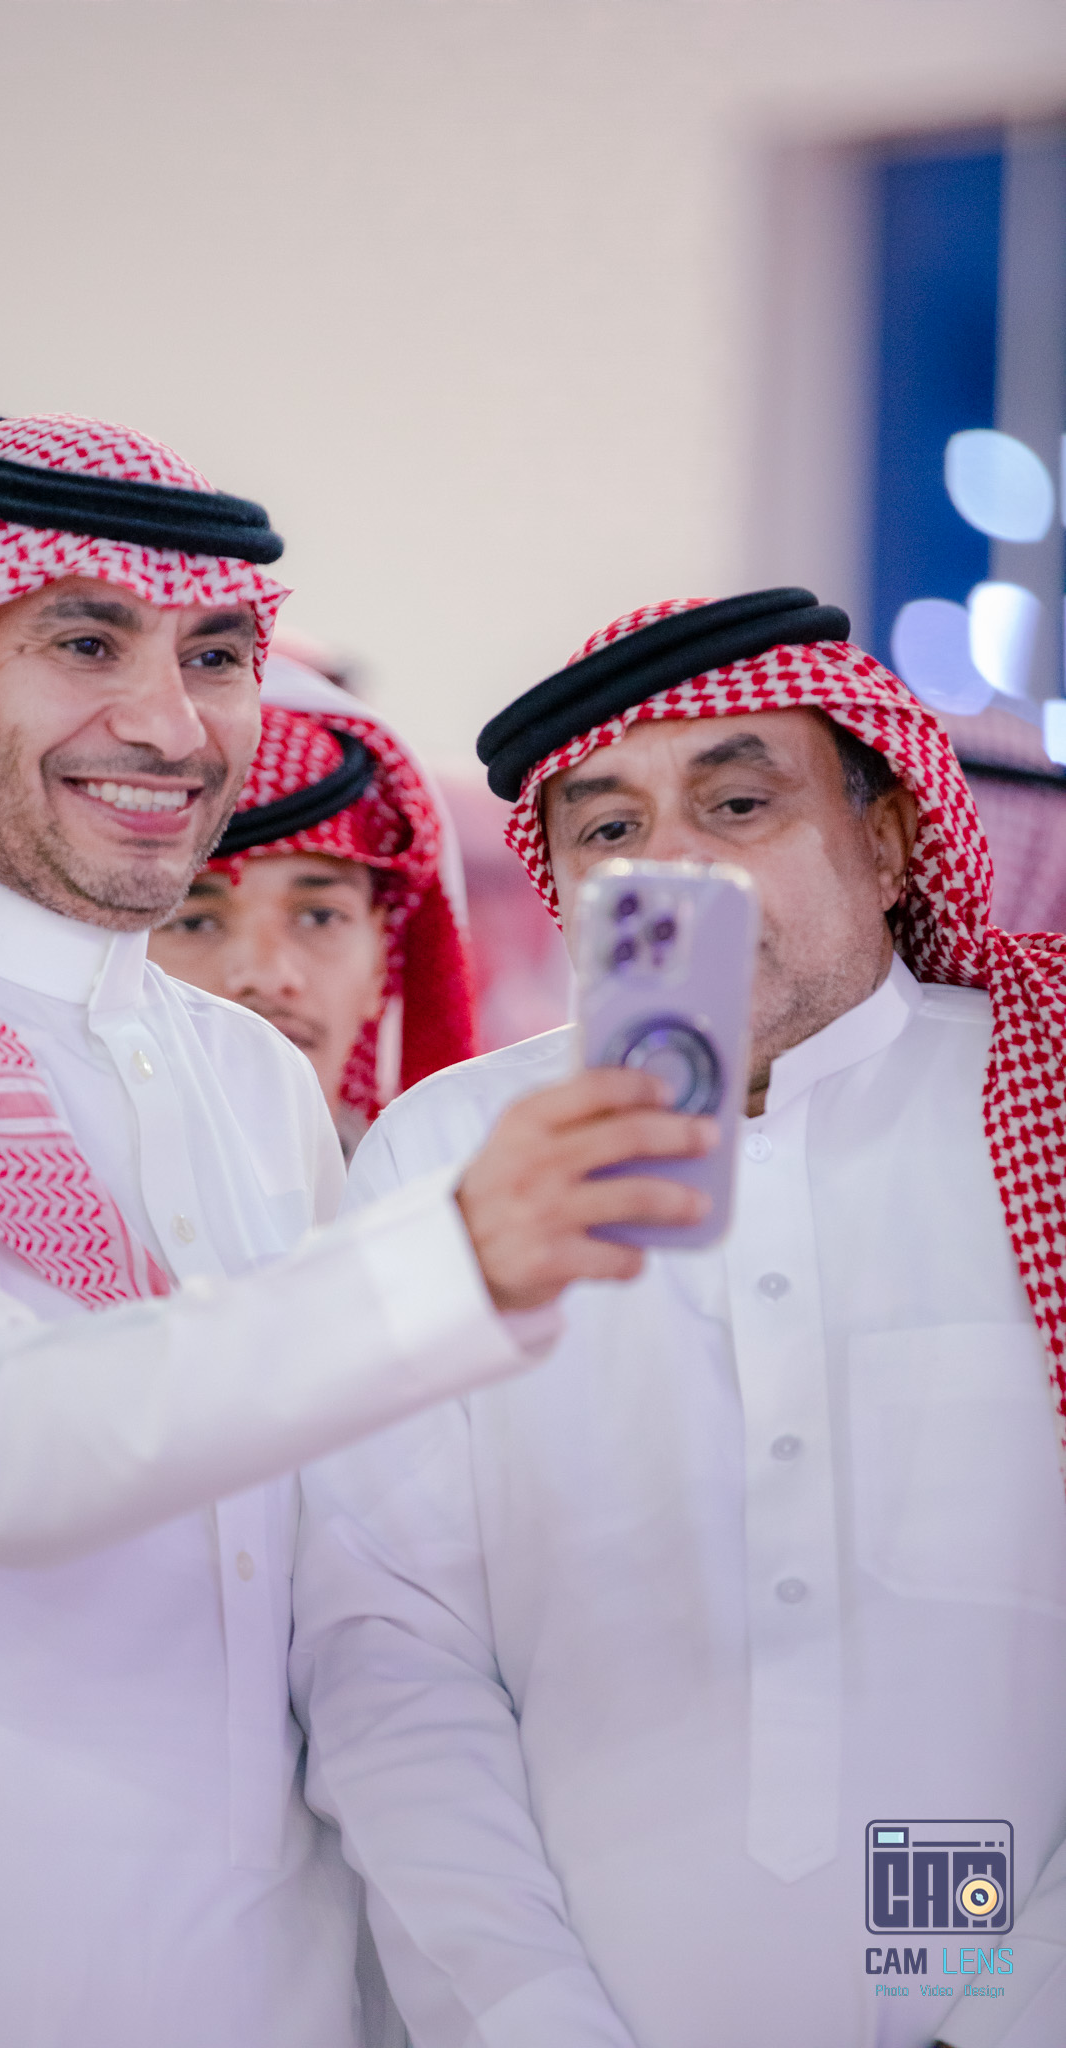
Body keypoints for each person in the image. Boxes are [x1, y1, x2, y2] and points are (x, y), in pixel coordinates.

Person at [0, 414, 715, 2048]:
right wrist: (454, 1258)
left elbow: (344, 1592)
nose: (171, 724)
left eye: (217, 654)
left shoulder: (247, 1077)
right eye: (85, 642)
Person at [290, 589, 1066, 2048]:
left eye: (739, 803)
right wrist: (531, 2015)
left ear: (890, 841)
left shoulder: (1038, 1108)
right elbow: (390, 1651)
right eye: (610, 828)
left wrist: (1011, 2011)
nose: (676, 868)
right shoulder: (449, 1152)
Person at [149, 655, 474, 1155]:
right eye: (194, 923)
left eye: (320, 916)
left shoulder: (444, 1197)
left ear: (380, 965)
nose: (267, 976)